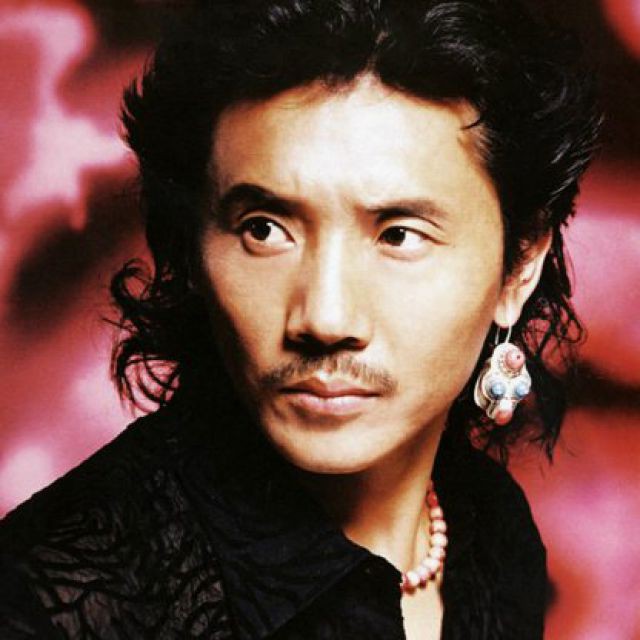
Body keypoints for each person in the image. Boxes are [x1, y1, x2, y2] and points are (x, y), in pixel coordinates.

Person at [0, 1, 601, 638]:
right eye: (264, 230)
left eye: (399, 236)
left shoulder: (494, 532)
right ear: (193, 248)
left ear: (519, 267)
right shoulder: (49, 599)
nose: (325, 317)